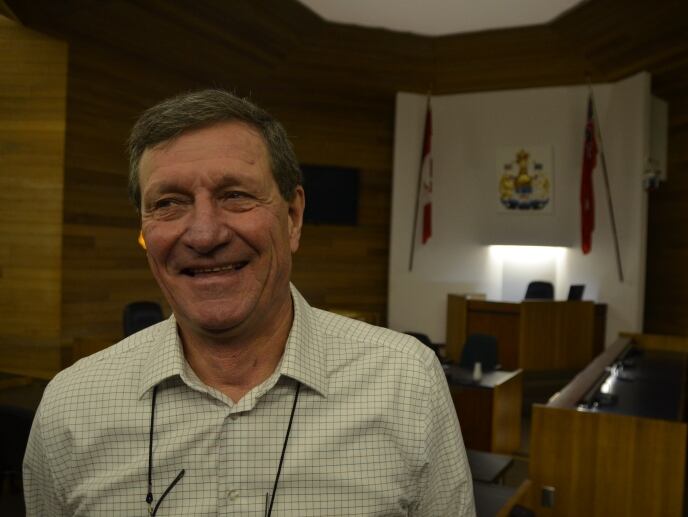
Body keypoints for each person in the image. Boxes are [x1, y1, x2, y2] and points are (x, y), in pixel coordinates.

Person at [23, 90, 474, 516]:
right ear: (144, 227)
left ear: (293, 217)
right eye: (169, 202)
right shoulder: (70, 407)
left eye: (235, 196)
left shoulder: (407, 384)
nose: (204, 235)